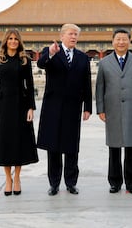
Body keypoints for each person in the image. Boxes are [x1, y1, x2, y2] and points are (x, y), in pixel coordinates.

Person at [37, 23, 92, 196]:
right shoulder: (51, 51)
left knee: (71, 146)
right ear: (61, 37)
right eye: (70, 34)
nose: (73, 37)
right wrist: (52, 54)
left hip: (73, 107)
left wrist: (87, 107)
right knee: (53, 147)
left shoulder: (83, 58)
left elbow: (86, 84)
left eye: (76, 34)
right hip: (53, 107)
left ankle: (71, 182)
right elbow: (41, 63)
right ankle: (54, 183)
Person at [95, 28, 132, 195]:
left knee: (131, 148)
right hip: (112, 109)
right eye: (118, 39)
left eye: (124, 39)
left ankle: (131, 183)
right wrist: (100, 109)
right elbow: (100, 87)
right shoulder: (104, 62)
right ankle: (115, 182)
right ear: (112, 42)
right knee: (114, 147)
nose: (121, 42)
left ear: (129, 42)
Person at [0, 29, 39, 196]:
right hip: (2, 106)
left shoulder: (24, 60)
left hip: (20, 105)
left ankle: (17, 177)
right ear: (5, 41)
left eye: (16, 39)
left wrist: (31, 107)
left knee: (19, 142)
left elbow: (30, 85)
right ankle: (7, 179)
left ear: (19, 41)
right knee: (4, 142)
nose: (13, 41)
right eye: (10, 38)